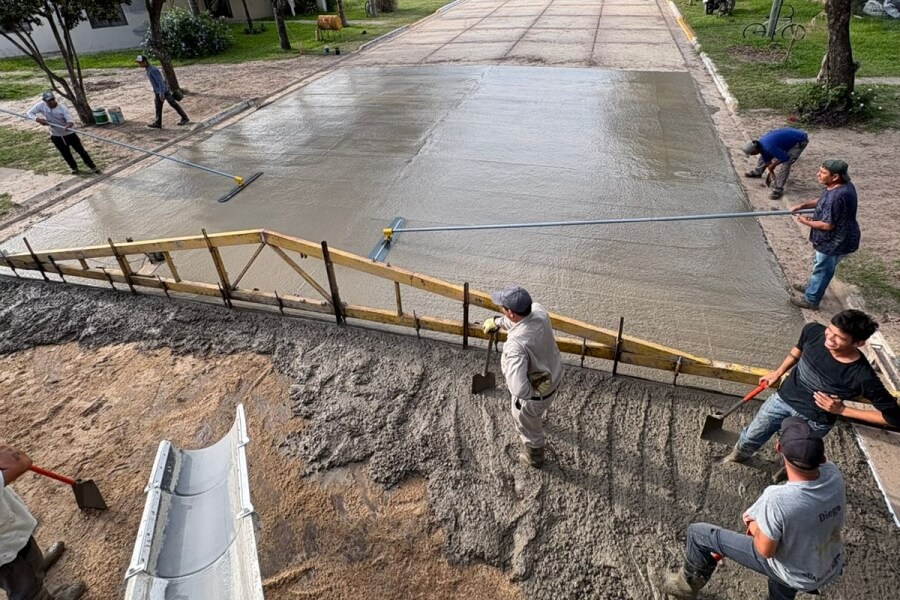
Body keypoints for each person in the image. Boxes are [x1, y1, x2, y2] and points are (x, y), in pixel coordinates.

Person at [654, 417, 845, 600]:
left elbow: (765, 551)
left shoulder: (777, 498)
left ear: (778, 448)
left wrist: (753, 525)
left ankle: (681, 591)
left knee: (699, 534)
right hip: (827, 563)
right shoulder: (833, 475)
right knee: (788, 564)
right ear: (822, 457)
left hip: (795, 572)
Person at [726, 309, 900, 466]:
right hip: (782, 400)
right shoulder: (813, 331)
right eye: (830, 330)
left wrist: (842, 411)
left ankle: (785, 472)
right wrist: (778, 372)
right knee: (752, 435)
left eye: (839, 337)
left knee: (797, 456)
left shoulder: (863, 377)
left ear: (858, 343)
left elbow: (894, 418)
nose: (829, 339)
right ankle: (737, 457)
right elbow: (798, 350)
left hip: (815, 420)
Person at [482, 286, 564, 469]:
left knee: (527, 423)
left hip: (536, 394)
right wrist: (498, 322)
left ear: (511, 312)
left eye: (502, 308)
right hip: (555, 375)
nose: (501, 309)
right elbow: (521, 322)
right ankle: (537, 412)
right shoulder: (539, 311)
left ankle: (534, 457)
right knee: (537, 411)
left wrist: (530, 396)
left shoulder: (515, 346)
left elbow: (518, 389)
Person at [1, 444, 85, 600]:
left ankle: (35, 568)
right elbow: (20, 463)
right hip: (7, 553)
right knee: (27, 591)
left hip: (10, 537)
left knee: (28, 557)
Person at [788, 159, 860, 310]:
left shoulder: (837, 197)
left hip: (834, 242)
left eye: (822, 173)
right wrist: (803, 205)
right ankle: (811, 287)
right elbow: (822, 200)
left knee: (822, 269)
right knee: (819, 266)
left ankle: (811, 300)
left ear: (835, 177)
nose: (818, 175)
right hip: (831, 239)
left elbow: (827, 225)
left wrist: (804, 221)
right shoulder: (838, 186)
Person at [25, 92, 101, 176]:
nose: (51, 102)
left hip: (69, 134)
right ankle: (73, 168)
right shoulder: (40, 106)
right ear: (44, 101)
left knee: (81, 151)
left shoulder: (62, 108)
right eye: (49, 101)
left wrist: (68, 125)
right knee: (65, 153)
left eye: (52, 99)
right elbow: (29, 113)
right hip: (56, 135)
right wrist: (38, 119)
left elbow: (70, 120)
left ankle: (92, 167)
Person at [742, 127, 808, 200]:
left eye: (752, 153)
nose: (752, 155)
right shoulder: (761, 144)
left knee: (787, 163)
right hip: (790, 135)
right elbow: (767, 160)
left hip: (800, 139)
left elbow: (784, 158)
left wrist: (773, 165)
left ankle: (778, 188)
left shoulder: (769, 147)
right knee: (763, 155)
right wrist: (770, 174)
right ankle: (758, 172)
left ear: (755, 149)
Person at [135, 55, 189, 129]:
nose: (139, 65)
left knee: (172, 104)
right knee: (159, 106)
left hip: (162, 91)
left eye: (140, 63)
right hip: (159, 91)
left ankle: (184, 118)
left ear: (145, 62)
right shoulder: (148, 69)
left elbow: (160, 83)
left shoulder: (152, 70)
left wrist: (161, 94)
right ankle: (158, 123)